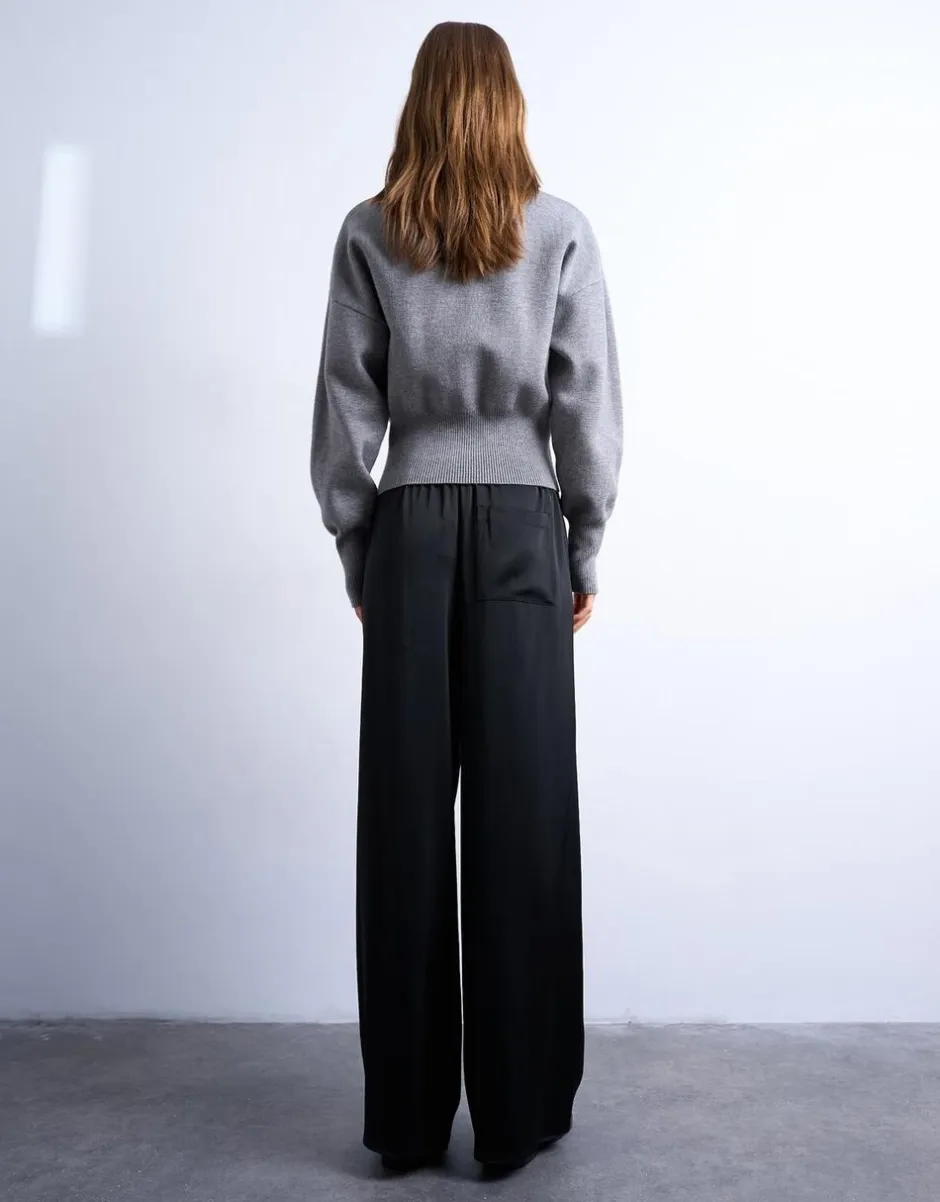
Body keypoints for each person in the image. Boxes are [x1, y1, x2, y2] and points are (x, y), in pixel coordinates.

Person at [309, 20, 623, 1177]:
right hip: (523, 529)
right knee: (522, 819)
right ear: (508, 104)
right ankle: (516, 1112)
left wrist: (363, 548)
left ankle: (403, 1120)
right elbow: (586, 406)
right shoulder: (559, 230)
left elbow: (346, 409)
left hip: (411, 528)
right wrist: (582, 545)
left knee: (401, 826)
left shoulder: (369, 231)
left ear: (418, 104)